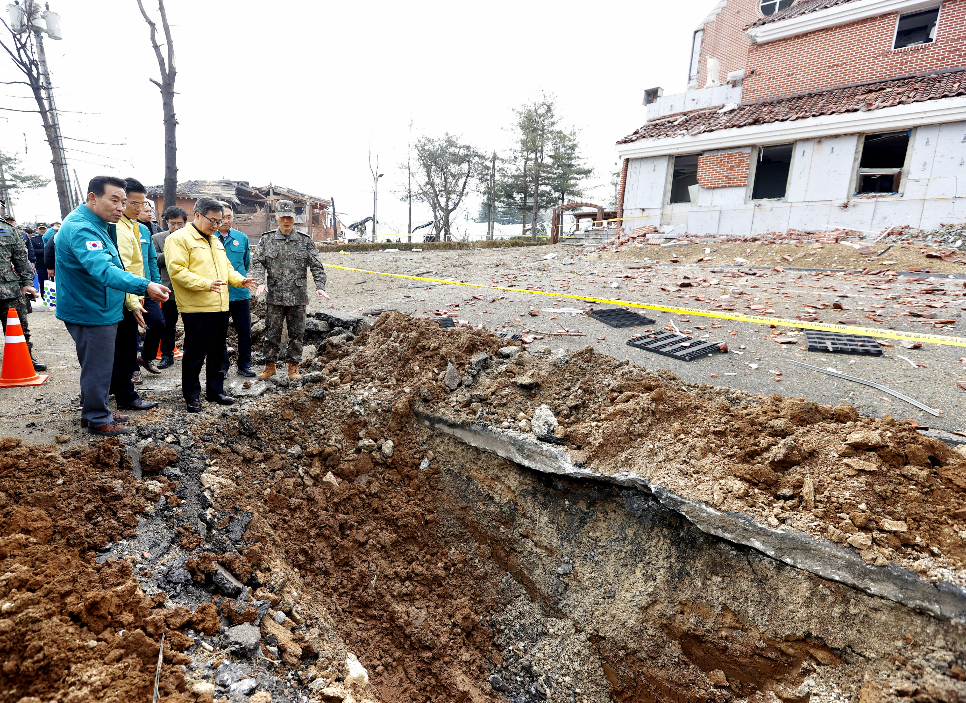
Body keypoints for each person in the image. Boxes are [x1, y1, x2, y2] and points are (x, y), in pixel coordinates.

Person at [55, 175, 169, 436]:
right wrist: (144, 286)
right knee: (98, 365)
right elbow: (103, 269)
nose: (120, 207)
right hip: (91, 308)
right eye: (114, 200)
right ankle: (97, 418)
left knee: (98, 363)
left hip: (101, 305)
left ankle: (95, 409)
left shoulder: (98, 224)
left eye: (123, 201)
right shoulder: (82, 228)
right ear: (93, 198)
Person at [164, 197, 257, 412]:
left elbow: (226, 268)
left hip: (220, 305)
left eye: (219, 221)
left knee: (217, 352)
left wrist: (239, 279)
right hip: (197, 306)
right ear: (197, 215)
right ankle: (192, 396)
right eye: (212, 220)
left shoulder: (214, 240)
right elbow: (177, 272)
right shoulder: (179, 239)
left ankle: (215, 391)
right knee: (195, 353)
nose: (216, 225)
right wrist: (205, 284)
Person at [251, 200, 329, 381]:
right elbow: (257, 263)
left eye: (290, 217)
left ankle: (293, 368)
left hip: (297, 296)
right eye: (283, 217)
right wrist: (260, 282)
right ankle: (269, 366)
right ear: (276, 217)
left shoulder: (305, 241)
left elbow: (317, 266)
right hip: (275, 296)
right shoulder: (267, 239)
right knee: (271, 333)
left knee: (297, 333)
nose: (286, 221)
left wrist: (320, 287)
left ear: (295, 217)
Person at [111, 178, 159, 407]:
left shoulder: (133, 225)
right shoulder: (120, 228)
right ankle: (126, 396)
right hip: (125, 296)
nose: (140, 208)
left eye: (143, 203)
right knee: (125, 348)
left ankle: (117, 390)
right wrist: (132, 302)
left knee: (124, 347)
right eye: (134, 203)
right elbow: (123, 269)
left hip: (134, 292)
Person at [0, 217, 44, 373]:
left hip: (9, 289)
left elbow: (21, 258)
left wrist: (27, 283)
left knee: (19, 327)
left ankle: (25, 358)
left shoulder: (8, 229)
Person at [217, 204, 256, 377]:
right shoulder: (209, 238)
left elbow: (246, 263)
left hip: (240, 292)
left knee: (245, 332)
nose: (226, 221)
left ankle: (244, 364)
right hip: (218, 293)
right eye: (223, 217)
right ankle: (222, 366)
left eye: (229, 217)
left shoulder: (242, 238)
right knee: (219, 333)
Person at [152, 206, 187, 369]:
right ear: (167, 223)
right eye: (173, 224)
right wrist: (174, 253)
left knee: (192, 323)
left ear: (185, 223)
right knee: (167, 324)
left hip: (189, 288)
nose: (176, 227)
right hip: (168, 288)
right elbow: (155, 259)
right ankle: (167, 355)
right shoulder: (158, 238)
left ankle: (191, 352)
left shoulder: (191, 238)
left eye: (180, 223)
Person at [29, 224, 47, 303]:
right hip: (40, 264)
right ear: (37, 230)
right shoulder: (34, 240)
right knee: (43, 282)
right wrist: (45, 251)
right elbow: (32, 251)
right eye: (41, 229)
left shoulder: (50, 238)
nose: (42, 230)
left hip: (52, 264)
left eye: (44, 229)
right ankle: (45, 298)